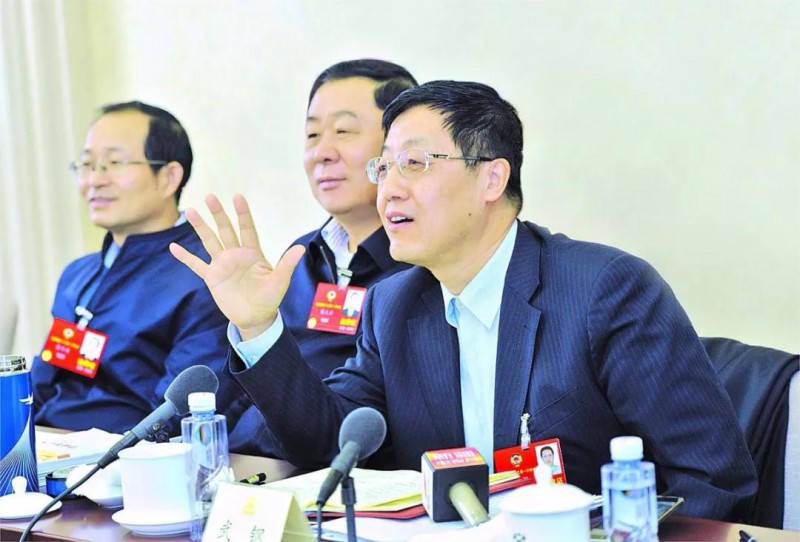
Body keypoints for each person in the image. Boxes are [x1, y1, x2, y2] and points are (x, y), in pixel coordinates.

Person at [171, 81, 757, 520]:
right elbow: (331, 444)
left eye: (414, 164)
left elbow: (710, 481)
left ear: (492, 179)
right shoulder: (394, 305)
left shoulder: (605, 289)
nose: (388, 189)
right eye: (384, 167)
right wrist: (260, 327)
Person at [224, 60, 417, 454]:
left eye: (344, 131)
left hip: (340, 468)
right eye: (312, 134)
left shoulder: (422, 266)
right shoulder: (299, 257)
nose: (322, 153)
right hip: (251, 467)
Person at [32, 101, 238, 438]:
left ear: (169, 177)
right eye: (87, 164)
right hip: (47, 449)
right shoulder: (77, 275)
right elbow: (40, 388)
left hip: (128, 458)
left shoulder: (208, 274)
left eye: (113, 163)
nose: (94, 180)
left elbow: (174, 415)